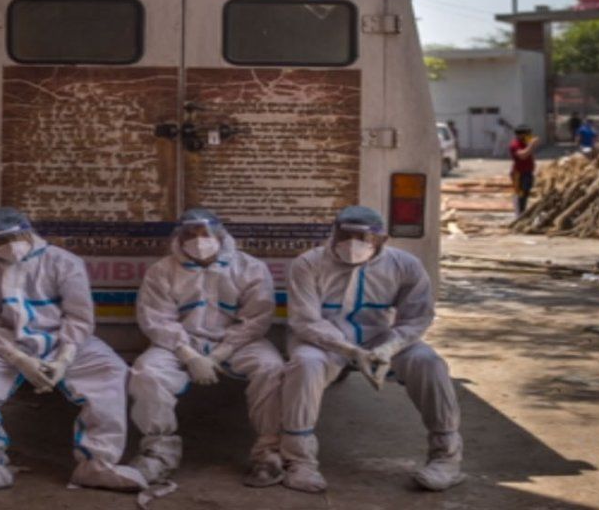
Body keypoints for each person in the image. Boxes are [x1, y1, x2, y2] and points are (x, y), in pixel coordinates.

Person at [0, 207, 147, 497]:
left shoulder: (64, 262)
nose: (9, 245)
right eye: (0, 241)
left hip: (65, 342)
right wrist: (19, 359)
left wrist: (64, 358)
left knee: (109, 371)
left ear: (29, 231)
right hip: (6, 347)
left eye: (15, 236)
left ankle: (98, 463)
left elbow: (79, 318)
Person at [280, 206, 462, 494]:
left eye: (362, 237)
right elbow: (305, 320)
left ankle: (446, 458)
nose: (352, 243)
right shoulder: (308, 263)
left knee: (429, 362)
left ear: (382, 239)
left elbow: (416, 317)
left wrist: (390, 347)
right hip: (326, 340)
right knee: (305, 364)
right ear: (333, 232)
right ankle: (299, 461)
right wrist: (350, 351)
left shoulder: (406, 265)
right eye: (345, 235)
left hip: (381, 337)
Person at [127, 208, 284, 487]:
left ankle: (268, 452)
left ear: (221, 236)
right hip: (181, 343)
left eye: (206, 234)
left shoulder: (250, 267)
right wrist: (188, 354)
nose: (199, 241)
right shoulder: (162, 270)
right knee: (146, 372)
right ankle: (159, 452)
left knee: (271, 368)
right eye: (191, 235)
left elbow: (256, 318)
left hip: (238, 341)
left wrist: (220, 353)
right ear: (179, 237)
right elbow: (156, 320)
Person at [509, 124, 539, 216]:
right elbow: (522, 155)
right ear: (521, 135)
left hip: (527, 172)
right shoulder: (515, 144)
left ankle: (523, 212)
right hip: (519, 173)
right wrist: (531, 145)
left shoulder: (525, 143)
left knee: (526, 193)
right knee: (520, 194)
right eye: (527, 134)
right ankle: (519, 214)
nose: (529, 135)